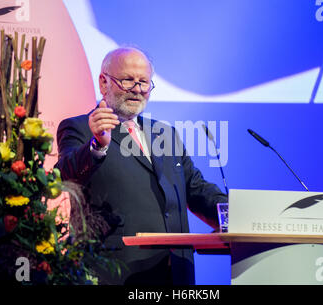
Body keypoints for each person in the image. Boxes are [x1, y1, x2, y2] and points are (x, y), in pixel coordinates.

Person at [55, 47, 227, 285]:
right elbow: (66, 176)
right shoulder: (80, 128)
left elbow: (196, 189)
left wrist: (240, 214)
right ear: (103, 82)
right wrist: (96, 145)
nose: (137, 89)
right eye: (128, 80)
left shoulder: (165, 134)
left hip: (175, 272)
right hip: (115, 273)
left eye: (144, 82)